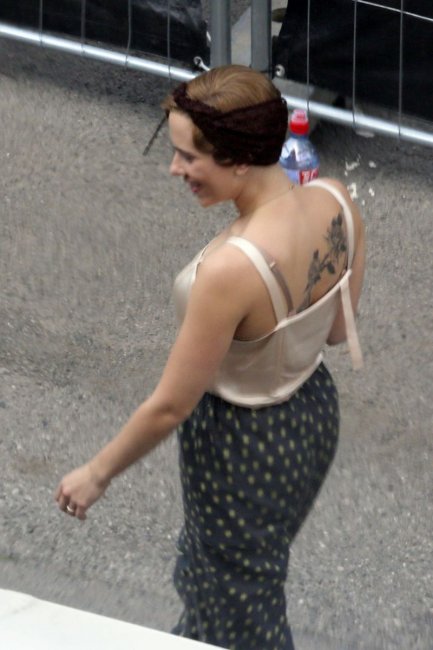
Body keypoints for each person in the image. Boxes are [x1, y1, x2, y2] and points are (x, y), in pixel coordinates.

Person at [55, 64, 365, 649]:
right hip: (311, 413)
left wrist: (95, 475)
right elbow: (333, 332)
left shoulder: (231, 270)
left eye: (188, 157)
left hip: (241, 444)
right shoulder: (336, 200)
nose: (175, 169)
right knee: (241, 574)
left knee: (235, 602)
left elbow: (170, 406)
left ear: (240, 159)